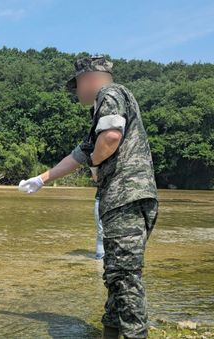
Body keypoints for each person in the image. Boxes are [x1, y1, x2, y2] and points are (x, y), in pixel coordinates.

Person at [18, 55, 158, 339]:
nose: (76, 91)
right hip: (123, 201)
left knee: (124, 278)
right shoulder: (102, 111)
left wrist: (95, 163)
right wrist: (41, 179)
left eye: (77, 84)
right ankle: (110, 333)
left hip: (125, 198)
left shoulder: (110, 93)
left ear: (89, 79)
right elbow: (76, 156)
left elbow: (110, 139)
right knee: (116, 275)